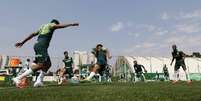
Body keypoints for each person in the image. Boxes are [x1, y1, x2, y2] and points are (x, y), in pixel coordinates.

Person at [13, 19, 79, 88]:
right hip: (41, 46)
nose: (55, 27)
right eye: (56, 25)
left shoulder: (42, 26)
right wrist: (71, 24)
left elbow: (32, 34)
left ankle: (39, 81)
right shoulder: (51, 25)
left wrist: (22, 42)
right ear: (55, 23)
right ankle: (18, 78)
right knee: (41, 65)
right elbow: (60, 26)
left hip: (37, 46)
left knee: (48, 64)